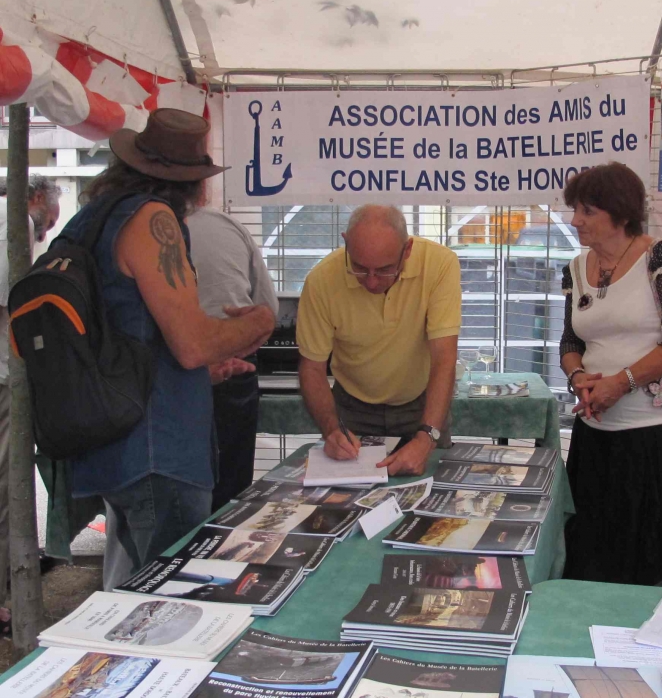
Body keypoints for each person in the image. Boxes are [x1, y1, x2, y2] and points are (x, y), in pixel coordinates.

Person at [60, 108, 275, 579]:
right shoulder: (154, 220)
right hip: (157, 448)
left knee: (133, 582)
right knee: (171, 594)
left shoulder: (93, 218)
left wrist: (202, 373)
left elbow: (131, 334)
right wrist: (259, 320)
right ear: (194, 183)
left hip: (112, 436)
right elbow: (193, 344)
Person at [558, 162, 662, 585]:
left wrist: (621, 383)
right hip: (594, 437)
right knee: (592, 561)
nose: (575, 220)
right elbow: (570, 342)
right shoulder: (576, 268)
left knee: (649, 564)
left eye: (587, 211)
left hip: (652, 437)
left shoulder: (660, 256)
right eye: (575, 210)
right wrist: (578, 377)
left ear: (620, 215)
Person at [296, 204, 460, 476]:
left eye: (384, 270)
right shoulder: (321, 280)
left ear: (407, 250)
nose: (371, 282)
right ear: (346, 244)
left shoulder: (439, 264)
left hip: (421, 404)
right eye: (359, 268)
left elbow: (444, 358)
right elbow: (312, 368)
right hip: (351, 409)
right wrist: (331, 430)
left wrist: (427, 436)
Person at [0, 175, 61, 633]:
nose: (46, 233)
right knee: (6, 488)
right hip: (4, 376)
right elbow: (14, 303)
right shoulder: (15, 224)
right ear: (37, 198)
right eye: (49, 222)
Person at [187, 206, 279, 511]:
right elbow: (268, 308)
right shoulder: (223, 224)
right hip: (230, 363)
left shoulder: (127, 228)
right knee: (229, 496)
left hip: (166, 375)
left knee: (174, 497)